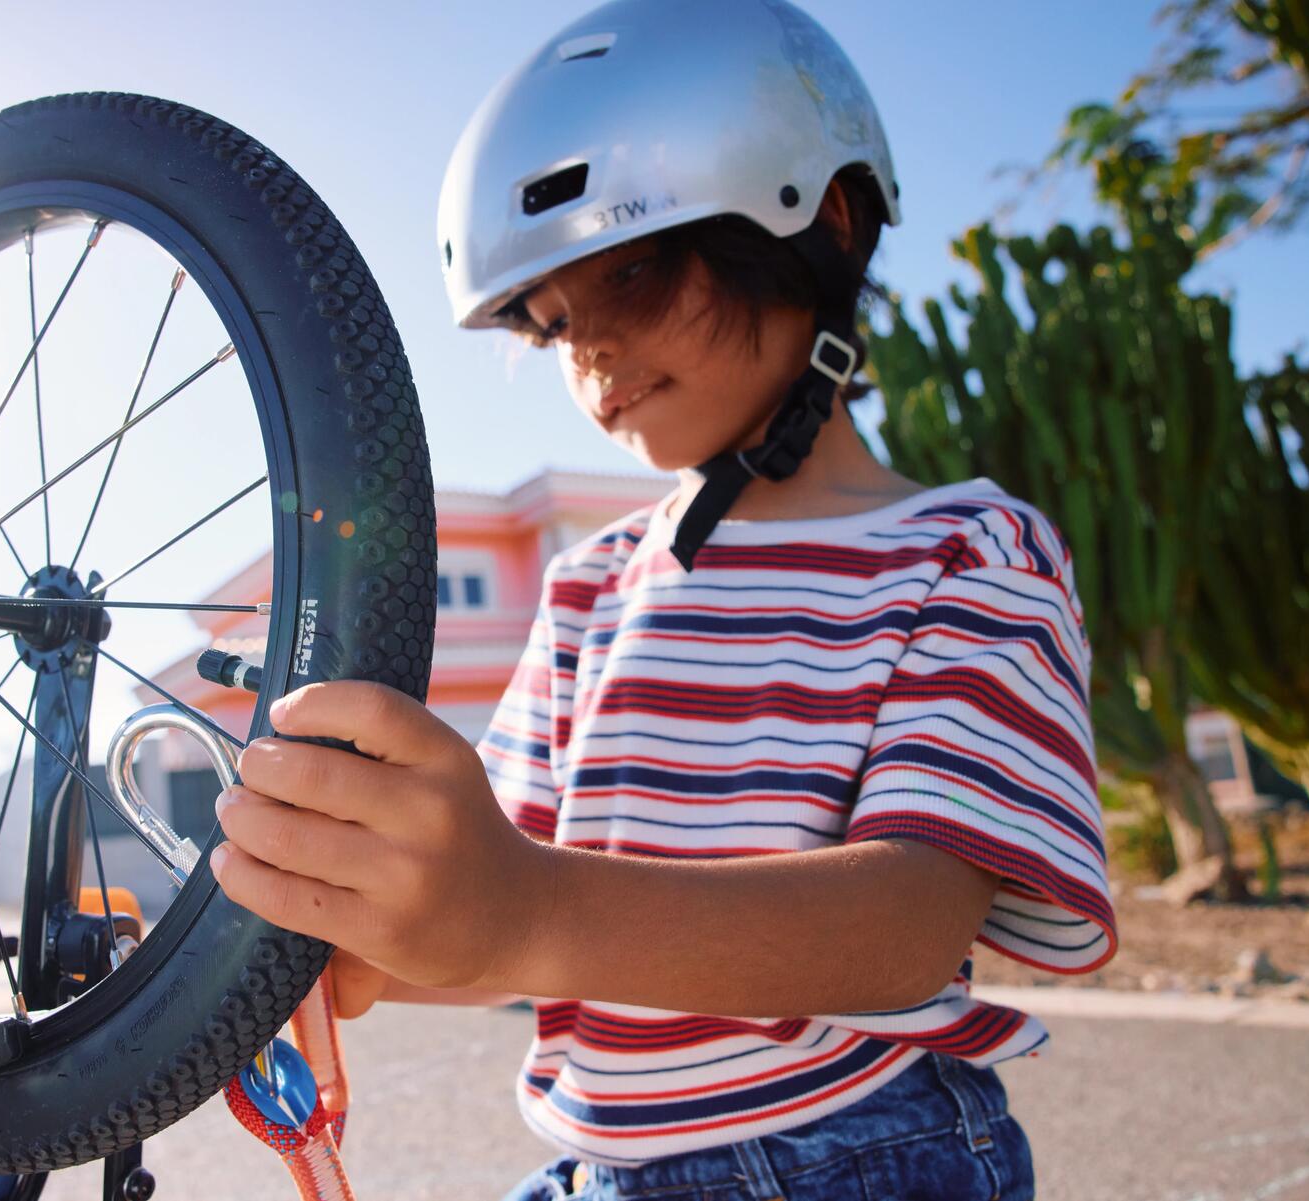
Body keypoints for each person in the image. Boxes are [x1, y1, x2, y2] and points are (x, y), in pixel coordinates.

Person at [208, 1, 1117, 1196]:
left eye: (630, 270)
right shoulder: (592, 584)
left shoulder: (969, 549)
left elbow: (910, 920)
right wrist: (349, 931)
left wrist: (520, 907)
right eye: (551, 322)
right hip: (600, 1164)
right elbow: (508, 907)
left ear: (823, 224)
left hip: (860, 1149)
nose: (587, 355)